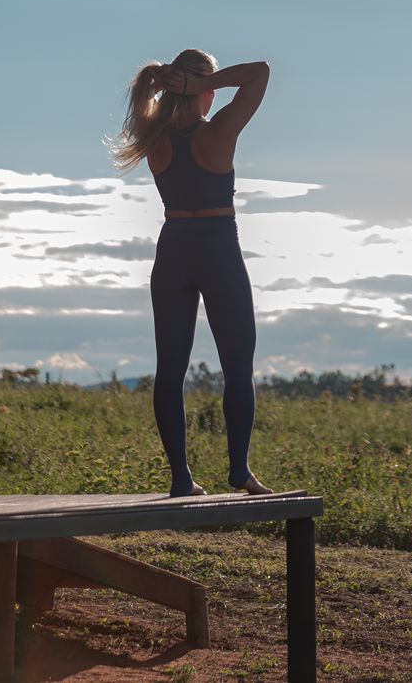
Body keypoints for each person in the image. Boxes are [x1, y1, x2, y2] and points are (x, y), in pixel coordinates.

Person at [112, 48, 273, 497]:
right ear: (204, 90)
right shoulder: (219, 130)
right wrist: (206, 84)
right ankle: (238, 471)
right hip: (218, 247)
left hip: (173, 249)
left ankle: (181, 479)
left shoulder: (152, 137)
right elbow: (260, 73)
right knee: (238, 366)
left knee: (171, 370)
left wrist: (187, 84)